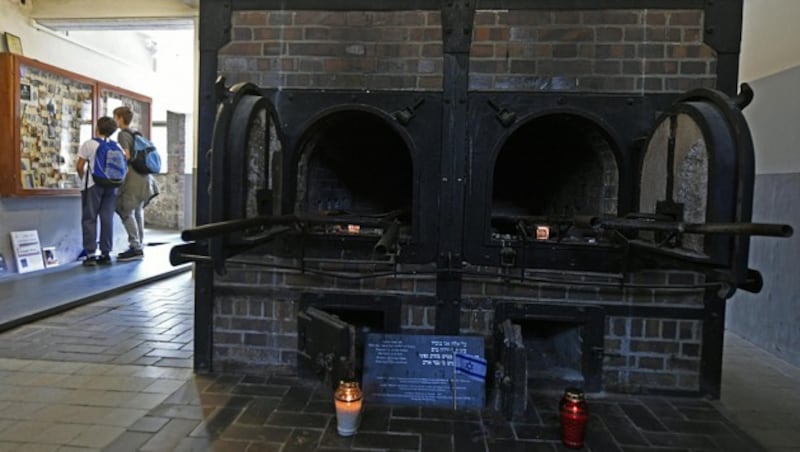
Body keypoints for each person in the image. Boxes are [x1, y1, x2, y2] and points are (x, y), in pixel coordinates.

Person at [113, 106, 160, 261]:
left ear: (120, 118)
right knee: (138, 211)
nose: (115, 121)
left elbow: (126, 156)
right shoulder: (136, 134)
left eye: (115, 117)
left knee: (125, 210)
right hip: (146, 179)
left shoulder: (122, 135)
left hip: (133, 179)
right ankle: (139, 243)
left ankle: (135, 246)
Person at [76, 116, 121, 266]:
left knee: (89, 218)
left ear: (98, 127)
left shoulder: (89, 144)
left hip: (93, 185)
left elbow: (79, 166)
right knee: (107, 218)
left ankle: (90, 254)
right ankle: (106, 253)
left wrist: (84, 179)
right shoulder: (117, 146)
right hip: (112, 186)